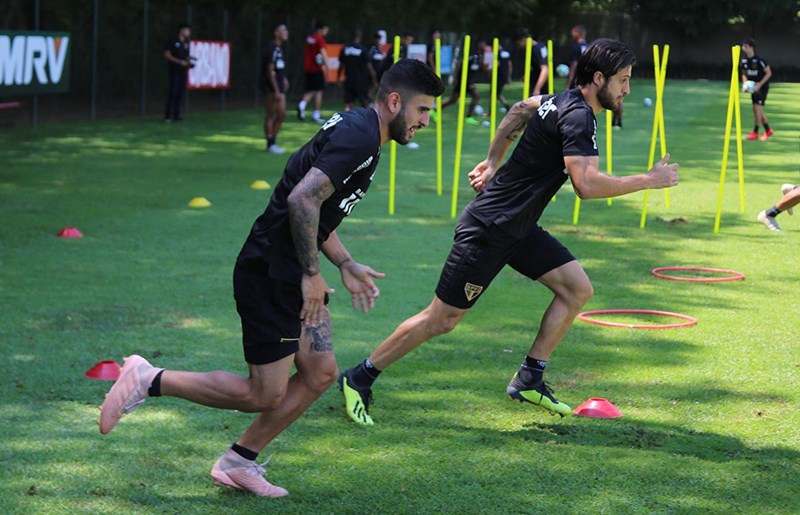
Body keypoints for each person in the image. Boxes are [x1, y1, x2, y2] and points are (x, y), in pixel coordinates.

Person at [98, 59, 445, 497]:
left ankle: (237, 461)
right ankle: (148, 378)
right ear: (395, 102)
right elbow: (302, 201)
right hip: (271, 271)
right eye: (423, 111)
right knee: (264, 393)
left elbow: (316, 210)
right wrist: (311, 274)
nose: (425, 121)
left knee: (320, 373)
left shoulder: (364, 132)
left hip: (290, 269)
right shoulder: (360, 137)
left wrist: (345, 262)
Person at [338, 39, 679, 426]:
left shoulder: (557, 100)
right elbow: (587, 185)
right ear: (598, 78)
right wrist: (649, 180)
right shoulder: (580, 116)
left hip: (516, 227)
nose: (626, 90)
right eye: (622, 80)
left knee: (577, 289)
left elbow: (519, 109)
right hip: (489, 229)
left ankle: (530, 377)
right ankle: (359, 376)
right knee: (442, 319)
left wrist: (491, 161)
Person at [441, 38, 486, 124]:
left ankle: (435, 110)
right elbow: (459, 64)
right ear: (479, 45)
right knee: (476, 96)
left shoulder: (480, 57)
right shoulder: (473, 56)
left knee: (453, 100)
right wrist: (455, 78)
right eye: (483, 44)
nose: (485, 46)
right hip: (463, 80)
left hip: (469, 81)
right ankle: (468, 117)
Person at [260, 23, 290, 154]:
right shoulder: (271, 48)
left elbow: (278, 68)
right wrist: (276, 90)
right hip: (272, 88)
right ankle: (270, 144)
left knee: (282, 114)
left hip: (279, 86)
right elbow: (270, 71)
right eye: (283, 30)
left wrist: (284, 79)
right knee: (271, 114)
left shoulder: (278, 49)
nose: (286, 32)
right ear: (276, 33)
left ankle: (273, 141)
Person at [740, 38, 773, 141]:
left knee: (757, 108)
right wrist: (745, 84)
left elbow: (769, 73)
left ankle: (755, 132)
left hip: (762, 88)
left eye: (745, 46)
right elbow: (744, 74)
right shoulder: (744, 61)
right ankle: (768, 130)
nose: (743, 48)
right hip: (753, 88)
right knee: (756, 110)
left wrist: (759, 85)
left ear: (751, 47)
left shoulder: (760, 60)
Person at [297, 21, 330, 124]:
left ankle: (302, 106)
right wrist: (328, 68)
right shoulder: (320, 39)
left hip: (308, 68)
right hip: (316, 69)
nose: (326, 32)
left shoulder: (310, 38)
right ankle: (314, 113)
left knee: (311, 89)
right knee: (318, 90)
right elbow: (323, 54)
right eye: (325, 29)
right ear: (321, 29)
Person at [163, 23, 194, 123]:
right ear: (182, 30)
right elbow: (167, 55)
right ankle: (167, 116)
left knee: (180, 93)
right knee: (173, 92)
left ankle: (176, 115)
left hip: (183, 72)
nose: (188, 33)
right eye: (187, 30)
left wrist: (189, 62)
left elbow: (186, 56)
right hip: (174, 71)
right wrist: (179, 62)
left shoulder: (186, 44)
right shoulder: (172, 41)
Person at [338, 29, 374, 111]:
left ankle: (347, 120)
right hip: (360, 80)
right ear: (360, 37)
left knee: (349, 103)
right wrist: (374, 80)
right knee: (365, 102)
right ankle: (368, 119)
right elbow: (369, 67)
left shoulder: (344, 49)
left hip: (348, 79)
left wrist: (338, 78)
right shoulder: (363, 50)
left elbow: (341, 65)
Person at [565, 24, 588, 90]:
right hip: (586, 81)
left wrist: (568, 85)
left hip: (576, 81)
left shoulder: (576, 47)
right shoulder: (589, 47)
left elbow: (574, 66)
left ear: (578, 33)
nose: (572, 34)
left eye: (573, 32)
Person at [366, 32, 385, 97]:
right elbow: (368, 62)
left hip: (379, 73)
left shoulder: (379, 49)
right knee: (373, 86)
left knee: (377, 88)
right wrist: (372, 73)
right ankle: (367, 101)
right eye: (377, 39)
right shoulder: (372, 48)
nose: (378, 41)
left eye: (379, 39)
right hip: (373, 74)